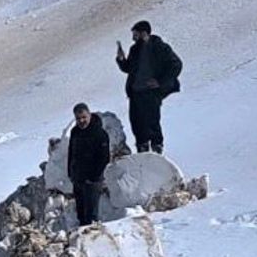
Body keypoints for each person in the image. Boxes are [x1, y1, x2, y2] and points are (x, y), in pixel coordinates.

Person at [115, 20, 182, 154]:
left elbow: (176, 65)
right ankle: (142, 148)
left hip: (151, 93)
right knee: (137, 122)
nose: (133, 38)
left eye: (135, 34)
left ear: (144, 33)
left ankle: (157, 149)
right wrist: (121, 60)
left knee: (152, 122)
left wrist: (160, 82)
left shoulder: (160, 47)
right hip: (135, 93)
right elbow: (129, 68)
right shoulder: (135, 49)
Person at [67, 103, 111, 226]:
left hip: (92, 181)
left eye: (84, 117)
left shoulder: (99, 133)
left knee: (91, 215)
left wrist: (93, 177)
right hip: (78, 178)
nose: (81, 121)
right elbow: (71, 152)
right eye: (78, 118)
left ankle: (93, 234)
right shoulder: (75, 132)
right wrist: (70, 172)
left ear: (89, 115)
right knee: (81, 214)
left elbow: (104, 157)